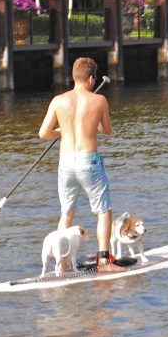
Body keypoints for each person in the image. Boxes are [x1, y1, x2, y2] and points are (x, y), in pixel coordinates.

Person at [38, 57, 126, 272]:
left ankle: (63, 263)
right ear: (90, 79)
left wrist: (61, 131)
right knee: (104, 211)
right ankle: (104, 261)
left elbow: (43, 134)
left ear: (74, 77)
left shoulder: (58, 101)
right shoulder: (99, 101)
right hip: (89, 162)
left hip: (66, 163)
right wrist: (90, 126)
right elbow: (107, 130)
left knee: (67, 213)